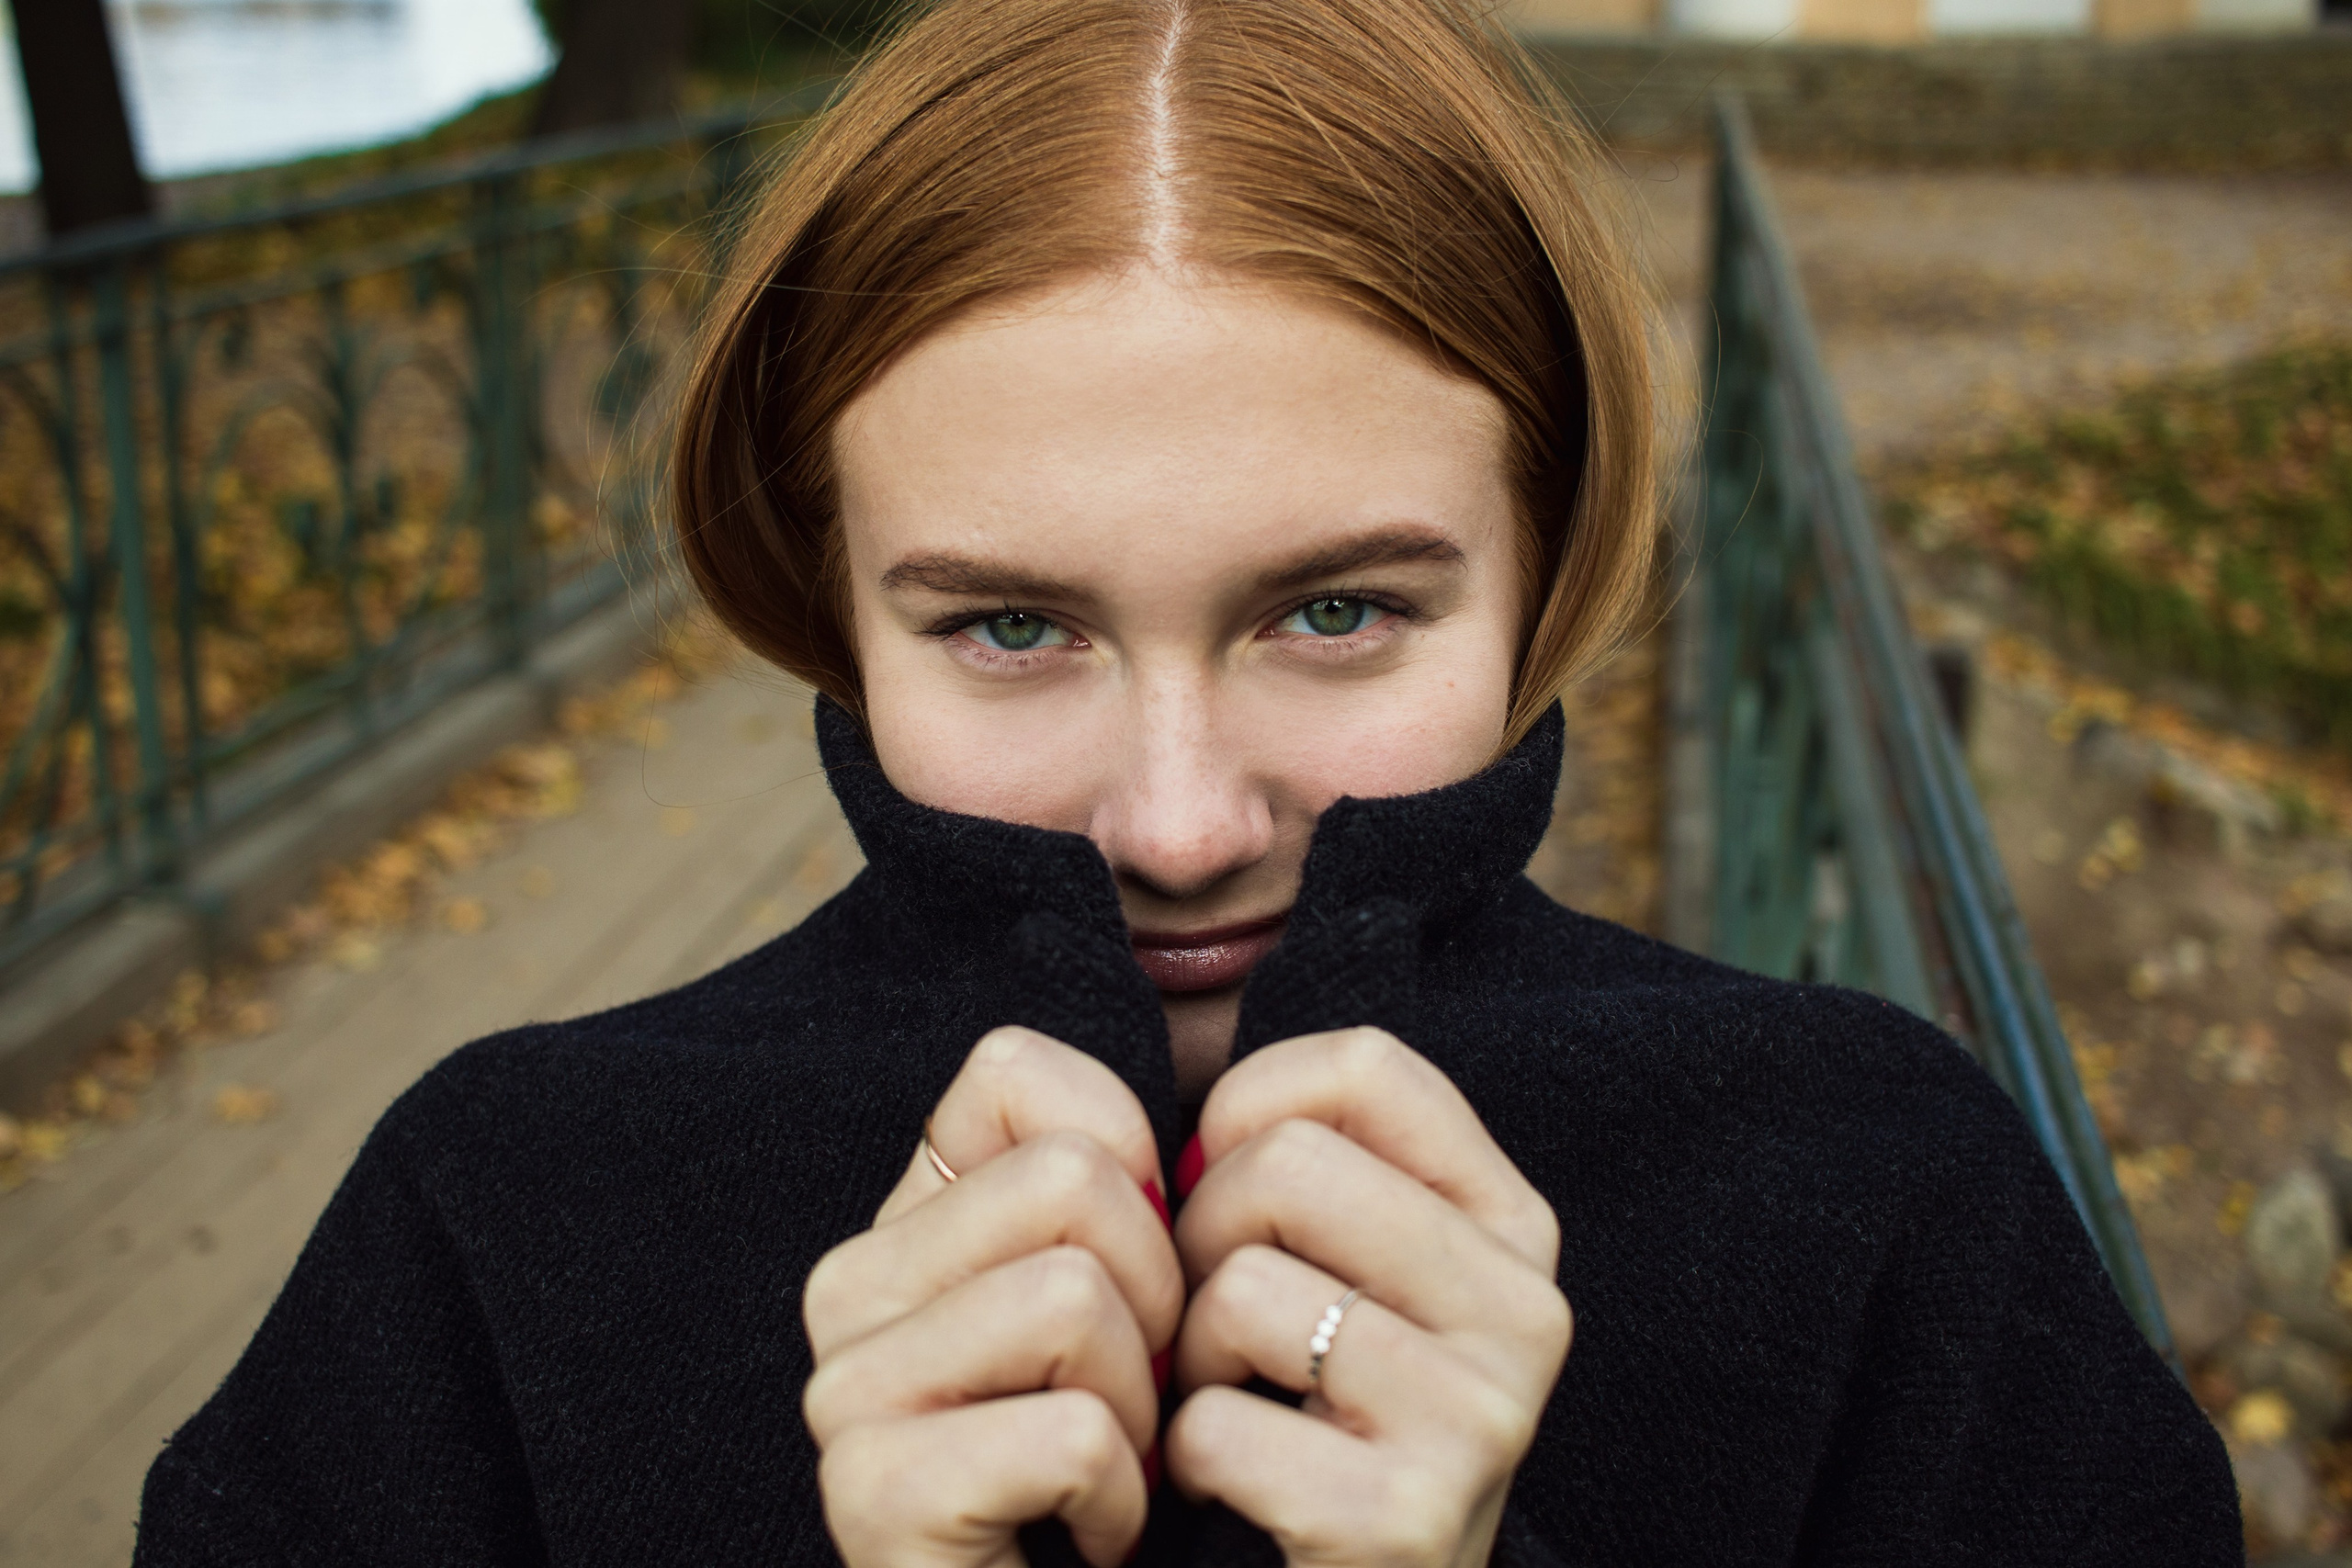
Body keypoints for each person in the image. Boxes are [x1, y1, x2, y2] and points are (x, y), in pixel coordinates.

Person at [134, 0, 2241, 1564]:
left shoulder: (1881, 1202)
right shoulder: (493, 1225)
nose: (1174, 824)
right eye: (1008, 627)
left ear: (1540, 560)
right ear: (831, 600)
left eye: (1332, 613)